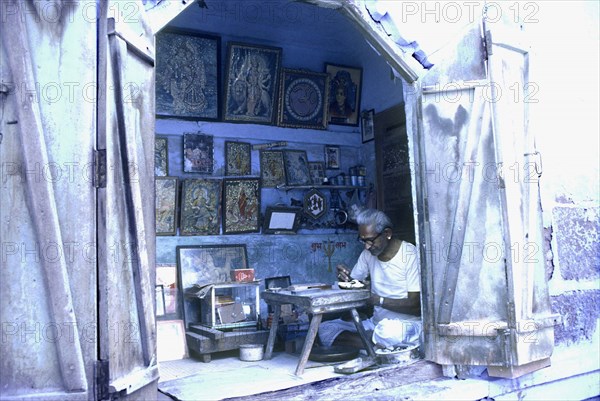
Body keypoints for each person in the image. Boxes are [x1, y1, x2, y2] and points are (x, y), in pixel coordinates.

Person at [318, 208, 422, 350]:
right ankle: (377, 347)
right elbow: (353, 285)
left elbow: (416, 307)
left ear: (387, 234)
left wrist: (378, 300)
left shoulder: (410, 255)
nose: (367, 246)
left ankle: (374, 343)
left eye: (370, 241)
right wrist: (345, 279)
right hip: (377, 324)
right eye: (363, 241)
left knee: (387, 332)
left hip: (407, 325)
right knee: (325, 329)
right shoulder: (368, 254)